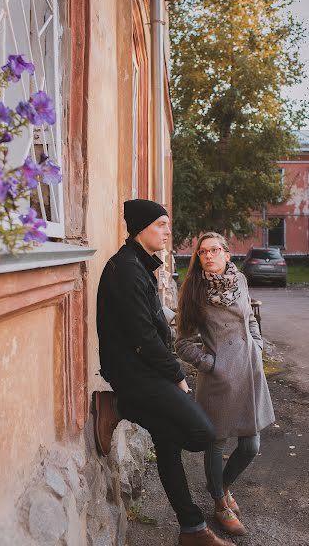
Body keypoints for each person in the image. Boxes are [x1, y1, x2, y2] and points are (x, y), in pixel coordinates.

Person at [93, 200, 233, 546]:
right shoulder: (125, 269)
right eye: (160, 224)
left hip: (145, 369)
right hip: (135, 374)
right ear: (140, 228)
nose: (167, 231)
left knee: (168, 443)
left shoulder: (139, 265)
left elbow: (151, 329)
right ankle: (118, 407)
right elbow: (142, 337)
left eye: (167, 224)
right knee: (202, 434)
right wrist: (177, 376)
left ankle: (193, 530)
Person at [176, 232, 275, 537]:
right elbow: (183, 343)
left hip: (249, 372)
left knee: (251, 444)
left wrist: (256, 345)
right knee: (216, 443)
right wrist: (211, 364)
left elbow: (251, 319)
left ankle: (221, 484)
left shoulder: (240, 280)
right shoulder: (193, 290)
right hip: (219, 380)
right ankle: (220, 503)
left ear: (227, 254)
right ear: (198, 257)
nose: (209, 255)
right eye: (203, 251)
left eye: (215, 250)